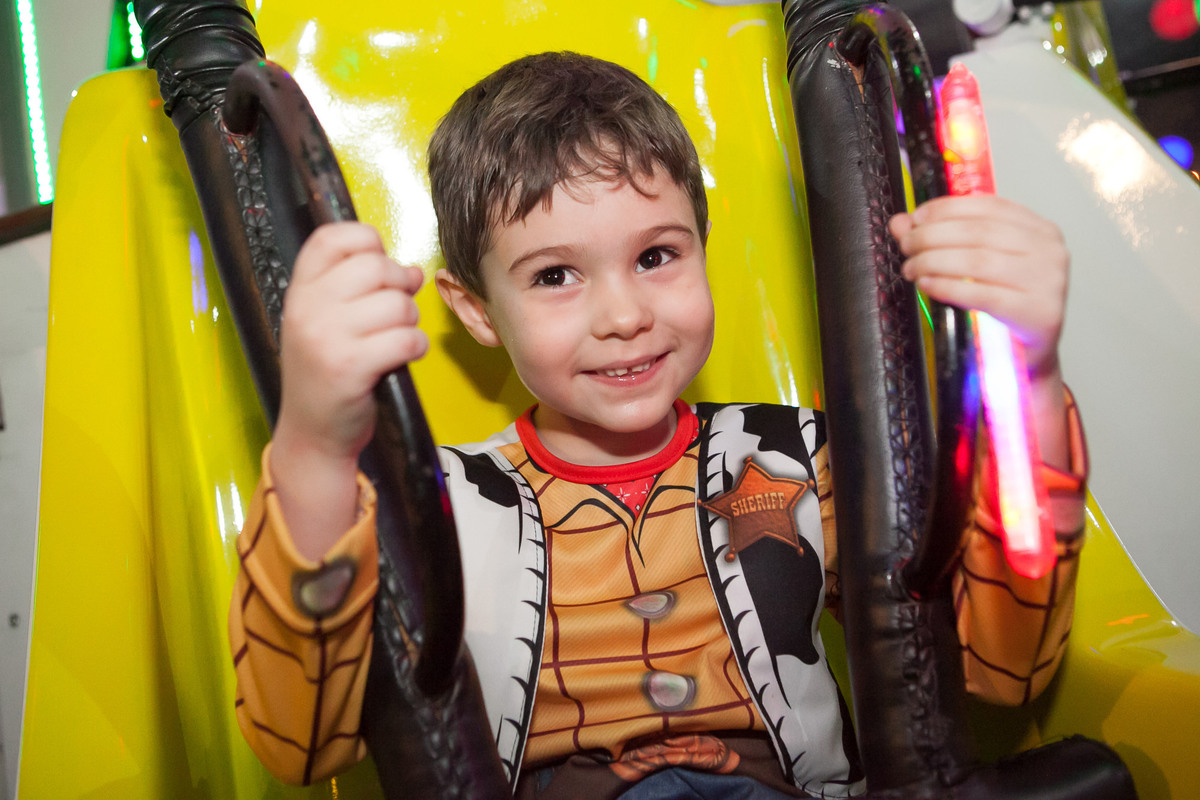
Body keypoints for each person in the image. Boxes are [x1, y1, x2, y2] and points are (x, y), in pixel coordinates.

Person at [229, 52, 1087, 798]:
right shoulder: (438, 504)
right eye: (555, 276)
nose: (624, 315)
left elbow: (1000, 669)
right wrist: (314, 445)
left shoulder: (804, 459)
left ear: (703, 246)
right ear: (476, 309)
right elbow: (302, 742)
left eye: (655, 256)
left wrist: (1031, 378)